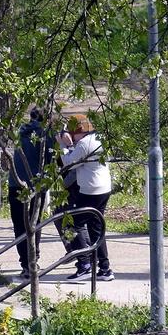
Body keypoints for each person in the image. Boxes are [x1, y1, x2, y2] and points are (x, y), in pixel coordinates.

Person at [60, 113, 114, 283]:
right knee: (96, 228)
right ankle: (105, 268)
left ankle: (84, 264)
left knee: (70, 223)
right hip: (103, 188)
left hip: (91, 190)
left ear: (78, 130)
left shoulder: (83, 144)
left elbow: (69, 163)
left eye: (71, 132)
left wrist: (64, 145)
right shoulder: (99, 138)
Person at [8, 106, 56, 280]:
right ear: (47, 119)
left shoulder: (19, 132)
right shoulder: (46, 135)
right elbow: (52, 160)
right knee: (34, 224)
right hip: (35, 185)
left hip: (15, 183)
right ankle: (33, 262)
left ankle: (25, 264)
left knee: (20, 225)